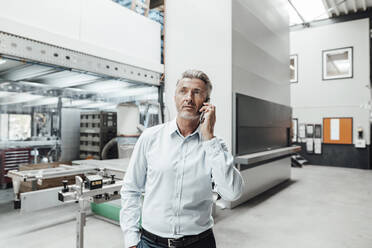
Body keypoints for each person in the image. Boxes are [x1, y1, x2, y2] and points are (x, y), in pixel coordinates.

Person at [120, 69, 244, 248]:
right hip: (151, 242)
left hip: (199, 242)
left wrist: (209, 137)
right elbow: (131, 189)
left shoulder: (215, 146)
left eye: (197, 92)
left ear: (206, 103)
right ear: (175, 97)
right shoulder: (150, 138)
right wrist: (131, 240)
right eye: (183, 91)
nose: (188, 97)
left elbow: (232, 193)